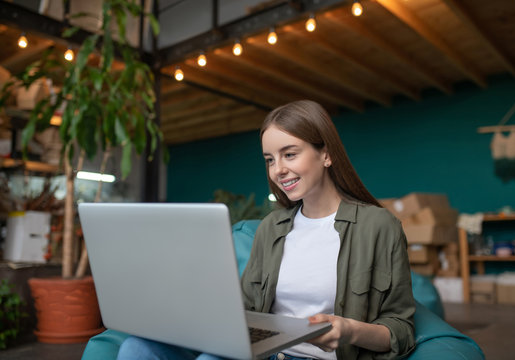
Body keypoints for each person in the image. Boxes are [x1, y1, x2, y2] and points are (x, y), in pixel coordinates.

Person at [117, 100, 416, 360]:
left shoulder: (378, 226)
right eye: (270, 160)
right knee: (136, 349)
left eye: (289, 154)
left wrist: (349, 330)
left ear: (326, 155)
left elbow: (401, 330)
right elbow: (245, 312)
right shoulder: (271, 228)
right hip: (261, 354)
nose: (277, 170)